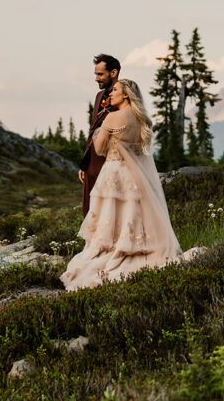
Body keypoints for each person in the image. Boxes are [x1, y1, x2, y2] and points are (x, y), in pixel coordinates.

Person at [61, 78, 182, 291]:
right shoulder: (140, 118)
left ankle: (115, 250)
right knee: (132, 216)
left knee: (110, 218)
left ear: (126, 94)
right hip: (135, 177)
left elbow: (99, 148)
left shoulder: (113, 118)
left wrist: (103, 130)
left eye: (115, 90)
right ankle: (135, 248)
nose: (110, 94)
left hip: (114, 174)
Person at [78, 54, 120, 216]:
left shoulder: (123, 96)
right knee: (90, 205)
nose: (96, 78)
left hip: (111, 160)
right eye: (95, 74)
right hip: (92, 161)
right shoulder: (98, 97)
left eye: (100, 74)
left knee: (109, 206)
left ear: (113, 73)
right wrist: (84, 162)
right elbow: (93, 131)